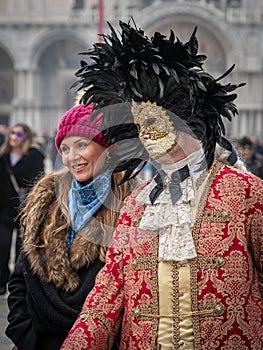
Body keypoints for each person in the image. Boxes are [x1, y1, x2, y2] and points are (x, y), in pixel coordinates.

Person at [61, 19, 263, 349]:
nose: (146, 134)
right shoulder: (135, 206)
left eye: (153, 121)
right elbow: (104, 303)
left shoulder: (247, 193)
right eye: (138, 124)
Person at [5, 103, 134, 350]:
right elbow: (21, 277)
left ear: (107, 148)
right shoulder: (45, 200)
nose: (72, 157)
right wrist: (24, 332)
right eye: (65, 148)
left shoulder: (130, 206)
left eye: (81, 145)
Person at [0, 123, 44, 295]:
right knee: (2, 247)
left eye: (19, 135)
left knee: (22, 249)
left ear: (26, 137)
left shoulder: (34, 157)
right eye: (12, 134)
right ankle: (2, 279)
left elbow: (37, 183)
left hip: (24, 209)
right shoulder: (2, 157)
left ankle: (19, 283)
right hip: (3, 209)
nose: (14, 138)